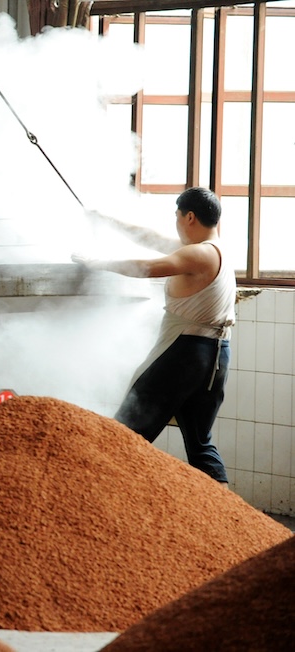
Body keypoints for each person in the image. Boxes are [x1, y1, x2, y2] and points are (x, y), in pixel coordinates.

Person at [72, 187, 234, 487]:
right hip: (216, 357)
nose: (174, 223)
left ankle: (103, 493)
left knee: (125, 431)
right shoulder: (212, 250)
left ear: (189, 217)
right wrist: (105, 220)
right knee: (200, 442)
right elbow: (149, 238)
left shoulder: (198, 253)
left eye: (176, 217)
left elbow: (148, 267)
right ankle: (232, 518)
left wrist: (98, 263)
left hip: (186, 353)